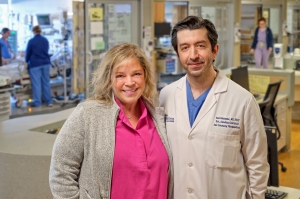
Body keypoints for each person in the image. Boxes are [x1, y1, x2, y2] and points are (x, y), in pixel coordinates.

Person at [159, 16, 269, 199]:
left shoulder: (243, 101)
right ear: (178, 54)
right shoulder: (165, 96)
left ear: (215, 50)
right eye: (185, 47)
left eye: (200, 45)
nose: (193, 55)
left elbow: (257, 164)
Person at [49, 43, 174, 199]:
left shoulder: (158, 118)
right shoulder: (88, 115)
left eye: (136, 74)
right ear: (109, 79)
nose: (129, 82)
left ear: (145, 76)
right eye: (120, 75)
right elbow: (61, 173)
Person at [25, 25, 53, 107]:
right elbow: (46, 51)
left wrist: (26, 62)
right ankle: (49, 101)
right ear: (40, 31)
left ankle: (38, 103)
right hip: (45, 63)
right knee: (46, 83)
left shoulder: (31, 41)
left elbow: (28, 53)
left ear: (33, 31)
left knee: (37, 84)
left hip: (35, 64)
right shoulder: (45, 40)